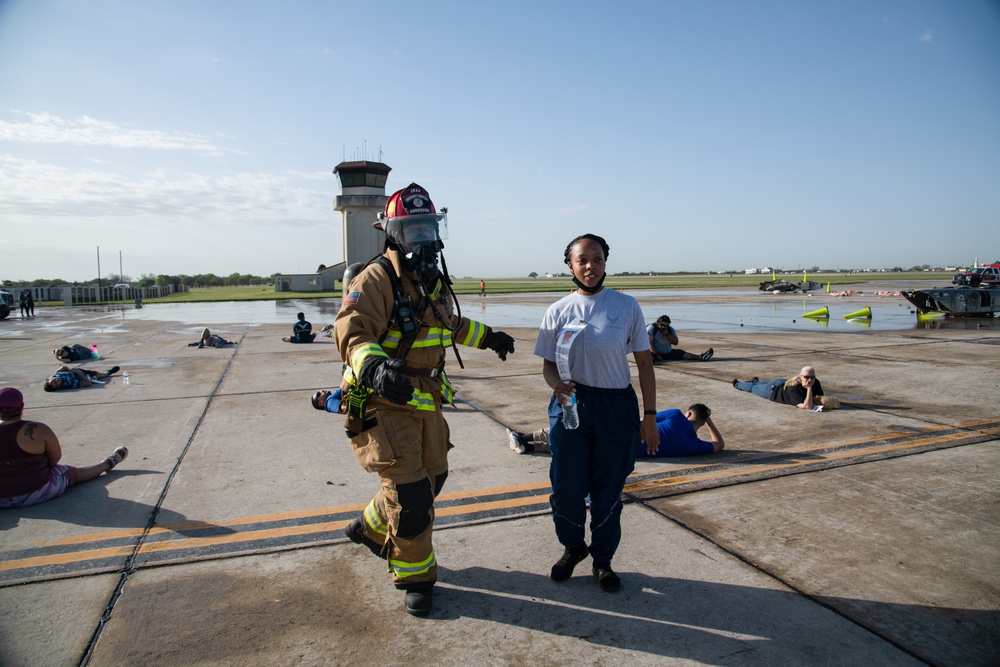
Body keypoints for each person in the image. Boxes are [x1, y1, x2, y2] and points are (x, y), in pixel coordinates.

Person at [334, 182, 515, 617]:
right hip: (383, 398)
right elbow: (352, 330)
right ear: (391, 232)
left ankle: (372, 528)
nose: (421, 239)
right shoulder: (376, 278)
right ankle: (415, 576)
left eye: (427, 229)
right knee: (412, 496)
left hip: (424, 398)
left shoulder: (427, 279)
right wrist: (375, 367)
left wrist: (488, 336)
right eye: (411, 230)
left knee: (433, 477)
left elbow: (446, 324)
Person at [533, 233, 658, 594]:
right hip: (570, 405)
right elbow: (547, 368)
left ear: (606, 262)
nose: (591, 266)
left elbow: (645, 364)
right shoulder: (557, 311)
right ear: (569, 265)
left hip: (616, 406)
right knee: (567, 487)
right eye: (583, 260)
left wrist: (649, 416)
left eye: (598, 259)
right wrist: (556, 386)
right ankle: (573, 547)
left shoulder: (626, 307)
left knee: (608, 492)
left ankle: (602, 561)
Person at [0, 387, 128, 508]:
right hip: (35, 492)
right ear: (22, 407)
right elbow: (55, 458)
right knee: (74, 472)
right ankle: (108, 463)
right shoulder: (38, 429)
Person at [506, 404, 724, 456]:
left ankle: (524, 438)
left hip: (623, 434)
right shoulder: (694, 446)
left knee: (575, 431)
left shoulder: (676, 415)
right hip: (626, 453)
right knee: (581, 449)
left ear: (688, 413)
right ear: (703, 422)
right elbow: (719, 445)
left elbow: (643, 419)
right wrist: (710, 422)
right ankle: (529, 448)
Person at [732, 366, 824, 410]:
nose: (810, 380)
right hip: (772, 390)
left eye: (812, 377)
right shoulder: (793, 388)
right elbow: (807, 406)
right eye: (806, 377)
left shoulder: (816, 382)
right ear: (800, 377)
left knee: (760, 384)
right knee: (753, 388)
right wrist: (809, 389)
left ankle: (755, 381)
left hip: (781, 382)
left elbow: (820, 398)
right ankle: (737, 384)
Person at [647, 315, 713, 362]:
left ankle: (701, 357)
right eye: (661, 325)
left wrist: (667, 334)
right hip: (654, 352)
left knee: (681, 353)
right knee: (649, 355)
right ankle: (650, 361)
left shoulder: (670, 330)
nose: (663, 327)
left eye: (665, 326)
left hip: (668, 353)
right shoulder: (652, 328)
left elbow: (675, 343)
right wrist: (656, 354)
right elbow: (649, 343)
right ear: (658, 323)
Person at [43, 366, 121, 392]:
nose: (56, 380)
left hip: (76, 370)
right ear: (58, 387)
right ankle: (108, 372)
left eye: (54, 380)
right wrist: (77, 372)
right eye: (56, 383)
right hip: (84, 375)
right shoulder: (70, 383)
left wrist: (60, 369)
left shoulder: (51, 378)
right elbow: (87, 383)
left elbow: (55, 374)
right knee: (101, 375)